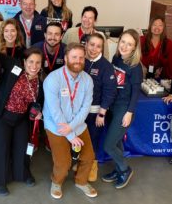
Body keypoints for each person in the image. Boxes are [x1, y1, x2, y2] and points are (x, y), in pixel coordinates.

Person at [0, 47, 44, 196]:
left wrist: (39, 111)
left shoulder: (41, 79)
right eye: (31, 61)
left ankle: (22, 174)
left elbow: (41, 100)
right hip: (0, 116)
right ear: (24, 62)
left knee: (22, 147)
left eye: (38, 62)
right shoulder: (15, 67)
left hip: (21, 118)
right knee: (0, 149)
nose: (34, 66)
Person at [43, 43, 97, 199]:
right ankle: (57, 182)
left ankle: (81, 181)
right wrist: (70, 135)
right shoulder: (53, 79)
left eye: (81, 57)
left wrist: (72, 129)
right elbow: (55, 113)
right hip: (56, 126)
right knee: (64, 162)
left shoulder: (88, 80)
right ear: (66, 58)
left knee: (88, 157)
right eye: (74, 57)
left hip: (77, 124)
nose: (78, 61)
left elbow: (86, 108)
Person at [102, 29, 143, 189]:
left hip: (124, 109)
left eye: (130, 44)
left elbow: (135, 93)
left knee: (108, 145)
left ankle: (125, 169)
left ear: (134, 48)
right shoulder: (116, 58)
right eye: (123, 42)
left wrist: (129, 113)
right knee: (117, 141)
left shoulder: (135, 67)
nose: (125, 46)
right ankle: (118, 168)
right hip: (113, 106)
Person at [84, 33, 117, 172]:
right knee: (80, 140)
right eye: (92, 45)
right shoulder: (81, 60)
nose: (94, 49)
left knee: (92, 141)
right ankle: (80, 165)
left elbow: (110, 92)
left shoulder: (106, 66)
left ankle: (92, 168)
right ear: (86, 44)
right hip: (79, 111)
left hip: (95, 113)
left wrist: (102, 114)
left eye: (98, 46)